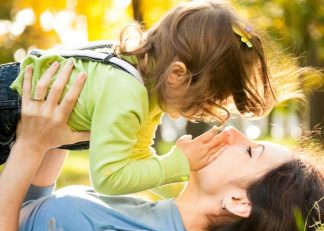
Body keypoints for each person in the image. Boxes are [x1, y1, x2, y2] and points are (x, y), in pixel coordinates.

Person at [0, 1, 284, 197]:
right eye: (201, 101)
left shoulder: (148, 92)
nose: (196, 114)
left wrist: (185, 185)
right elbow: (108, 178)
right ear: (177, 74)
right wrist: (178, 163)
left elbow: (138, 156)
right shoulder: (127, 93)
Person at [1, 63, 323, 231]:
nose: (232, 135)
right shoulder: (149, 212)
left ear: (238, 201)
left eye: (249, 151)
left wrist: (30, 146)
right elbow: (34, 219)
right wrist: (61, 130)